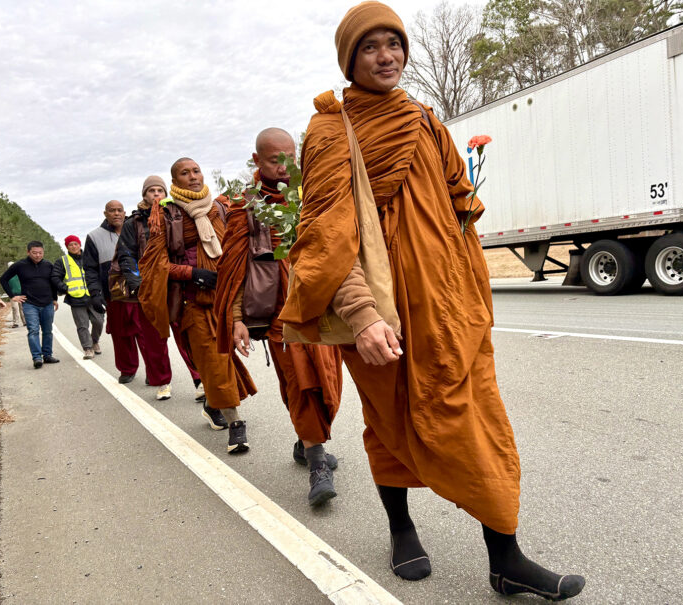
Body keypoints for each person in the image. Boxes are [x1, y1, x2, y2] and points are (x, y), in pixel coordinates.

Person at [279, 2, 585, 599]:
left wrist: (465, 286)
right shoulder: (326, 132)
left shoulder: (423, 119)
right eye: (370, 47)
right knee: (388, 419)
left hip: (446, 305)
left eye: (394, 44)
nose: (386, 56)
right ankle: (401, 528)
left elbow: (458, 202)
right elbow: (325, 234)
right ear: (349, 58)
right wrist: (362, 316)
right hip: (380, 311)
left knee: (475, 418)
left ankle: (506, 557)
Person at [215, 128, 343, 506]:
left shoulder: (312, 192)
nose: (285, 167)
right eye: (275, 160)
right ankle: (318, 463)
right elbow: (234, 270)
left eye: (290, 158)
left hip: (324, 310)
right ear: (257, 161)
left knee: (328, 385)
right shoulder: (245, 206)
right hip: (280, 317)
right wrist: (237, 318)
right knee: (302, 385)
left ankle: (307, 445)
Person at [139, 158, 256, 454]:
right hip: (194, 302)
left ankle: (211, 401)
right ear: (175, 181)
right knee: (215, 364)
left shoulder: (219, 208)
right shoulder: (167, 215)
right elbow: (157, 264)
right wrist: (194, 274)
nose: (192, 177)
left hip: (227, 298)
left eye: (196, 171)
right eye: (184, 173)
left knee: (222, 362)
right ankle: (236, 426)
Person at [115, 175, 204, 401]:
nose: (156, 194)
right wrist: (137, 283)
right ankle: (162, 382)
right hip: (148, 288)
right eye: (151, 191)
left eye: (160, 190)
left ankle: (200, 379)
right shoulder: (132, 223)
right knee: (154, 339)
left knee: (185, 334)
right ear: (144, 195)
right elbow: (126, 255)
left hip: (176, 283)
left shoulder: (176, 214)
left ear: (166, 194)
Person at [84, 200, 128, 380]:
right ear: (105, 214)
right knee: (120, 335)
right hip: (113, 295)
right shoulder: (94, 237)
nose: (116, 213)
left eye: (119, 210)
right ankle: (127, 369)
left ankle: (154, 372)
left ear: (124, 213)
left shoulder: (134, 230)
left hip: (140, 294)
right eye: (112, 211)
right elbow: (90, 269)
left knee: (146, 335)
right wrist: (95, 293)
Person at [0, 241, 59, 368]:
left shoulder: (48, 265)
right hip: (30, 303)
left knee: (48, 330)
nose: (38, 255)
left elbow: (53, 282)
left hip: (47, 303)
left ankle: (47, 355)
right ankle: (37, 358)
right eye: (34, 253)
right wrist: (12, 296)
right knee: (33, 330)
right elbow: (3, 279)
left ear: (43, 252)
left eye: (40, 253)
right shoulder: (19, 265)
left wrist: (54, 299)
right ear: (28, 252)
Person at [51, 235, 104, 359]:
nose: (74, 246)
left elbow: (100, 273)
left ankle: (94, 341)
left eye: (76, 244)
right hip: (75, 298)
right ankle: (88, 349)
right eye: (70, 245)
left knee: (99, 321)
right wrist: (65, 288)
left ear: (80, 244)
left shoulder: (90, 257)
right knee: (82, 325)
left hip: (93, 296)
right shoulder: (62, 261)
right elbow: (54, 277)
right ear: (67, 247)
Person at [5, 261, 25, 328]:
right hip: (13, 295)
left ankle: (25, 322)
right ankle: (15, 323)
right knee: (14, 308)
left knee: (22, 308)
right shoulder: (7, 276)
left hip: (21, 294)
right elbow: (5, 285)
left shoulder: (19, 274)